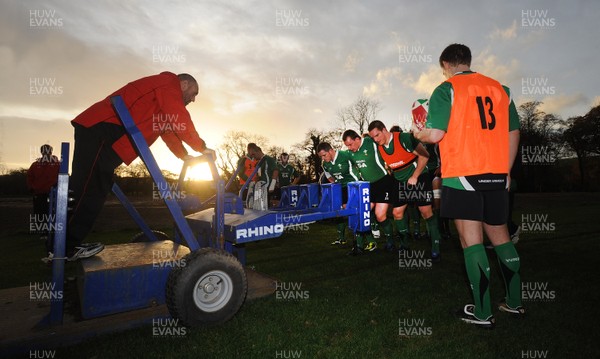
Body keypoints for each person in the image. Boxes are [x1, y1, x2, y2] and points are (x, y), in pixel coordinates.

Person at [414, 43, 524, 328]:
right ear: (468, 61)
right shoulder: (502, 89)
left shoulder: (446, 89)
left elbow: (435, 134)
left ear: (446, 65)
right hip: (497, 176)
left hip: (463, 175)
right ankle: (514, 303)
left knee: (471, 242)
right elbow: (514, 131)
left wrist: (419, 133)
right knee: (500, 237)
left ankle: (483, 312)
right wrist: (507, 171)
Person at [62, 72, 209, 261]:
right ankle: (65, 246)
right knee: (88, 184)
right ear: (184, 84)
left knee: (98, 184)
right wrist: (202, 147)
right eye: (194, 93)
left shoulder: (163, 105)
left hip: (112, 134)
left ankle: (66, 244)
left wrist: (185, 156)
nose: (193, 99)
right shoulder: (168, 82)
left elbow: (169, 133)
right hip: (104, 127)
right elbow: (179, 116)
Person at [368, 121, 441, 261]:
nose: (376, 139)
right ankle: (405, 244)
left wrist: (415, 176)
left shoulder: (403, 138)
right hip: (400, 180)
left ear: (384, 130)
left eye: (377, 135)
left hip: (418, 177)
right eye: (373, 138)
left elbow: (425, 155)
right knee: (397, 212)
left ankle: (436, 248)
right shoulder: (380, 147)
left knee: (425, 212)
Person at [342, 130, 393, 253]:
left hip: (383, 182)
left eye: (350, 144)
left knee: (380, 216)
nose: (349, 148)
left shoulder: (371, 142)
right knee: (361, 213)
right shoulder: (349, 153)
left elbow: (385, 140)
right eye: (347, 146)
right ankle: (359, 246)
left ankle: (391, 242)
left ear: (357, 139)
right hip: (368, 186)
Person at [317, 142, 360, 247]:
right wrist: (335, 183)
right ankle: (342, 238)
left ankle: (365, 240)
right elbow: (328, 175)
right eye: (321, 156)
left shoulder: (345, 155)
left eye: (324, 155)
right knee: (339, 210)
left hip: (355, 186)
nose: (323, 158)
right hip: (342, 188)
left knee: (357, 211)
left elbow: (360, 163)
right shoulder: (325, 164)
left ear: (331, 151)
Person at [27, 144, 60, 247]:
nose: (46, 153)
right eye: (44, 151)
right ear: (41, 152)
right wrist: (32, 188)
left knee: (54, 212)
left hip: (53, 193)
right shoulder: (35, 165)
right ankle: (43, 232)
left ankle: (54, 232)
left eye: (48, 151)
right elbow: (29, 177)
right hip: (39, 193)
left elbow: (63, 175)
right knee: (40, 213)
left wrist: (57, 186)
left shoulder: (57, 164)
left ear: (51, 151)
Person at [246, 143, 278, 210]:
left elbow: (275, 171)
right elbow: (259, 175)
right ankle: (252, 206)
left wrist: (272, 184)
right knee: (252, 184)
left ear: (258, 151)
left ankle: (263, 209)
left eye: (253, 154)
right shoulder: (258, 163)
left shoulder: (268, 159)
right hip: (260, 185)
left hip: (267, 185)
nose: (253, 157)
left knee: (259, 185)